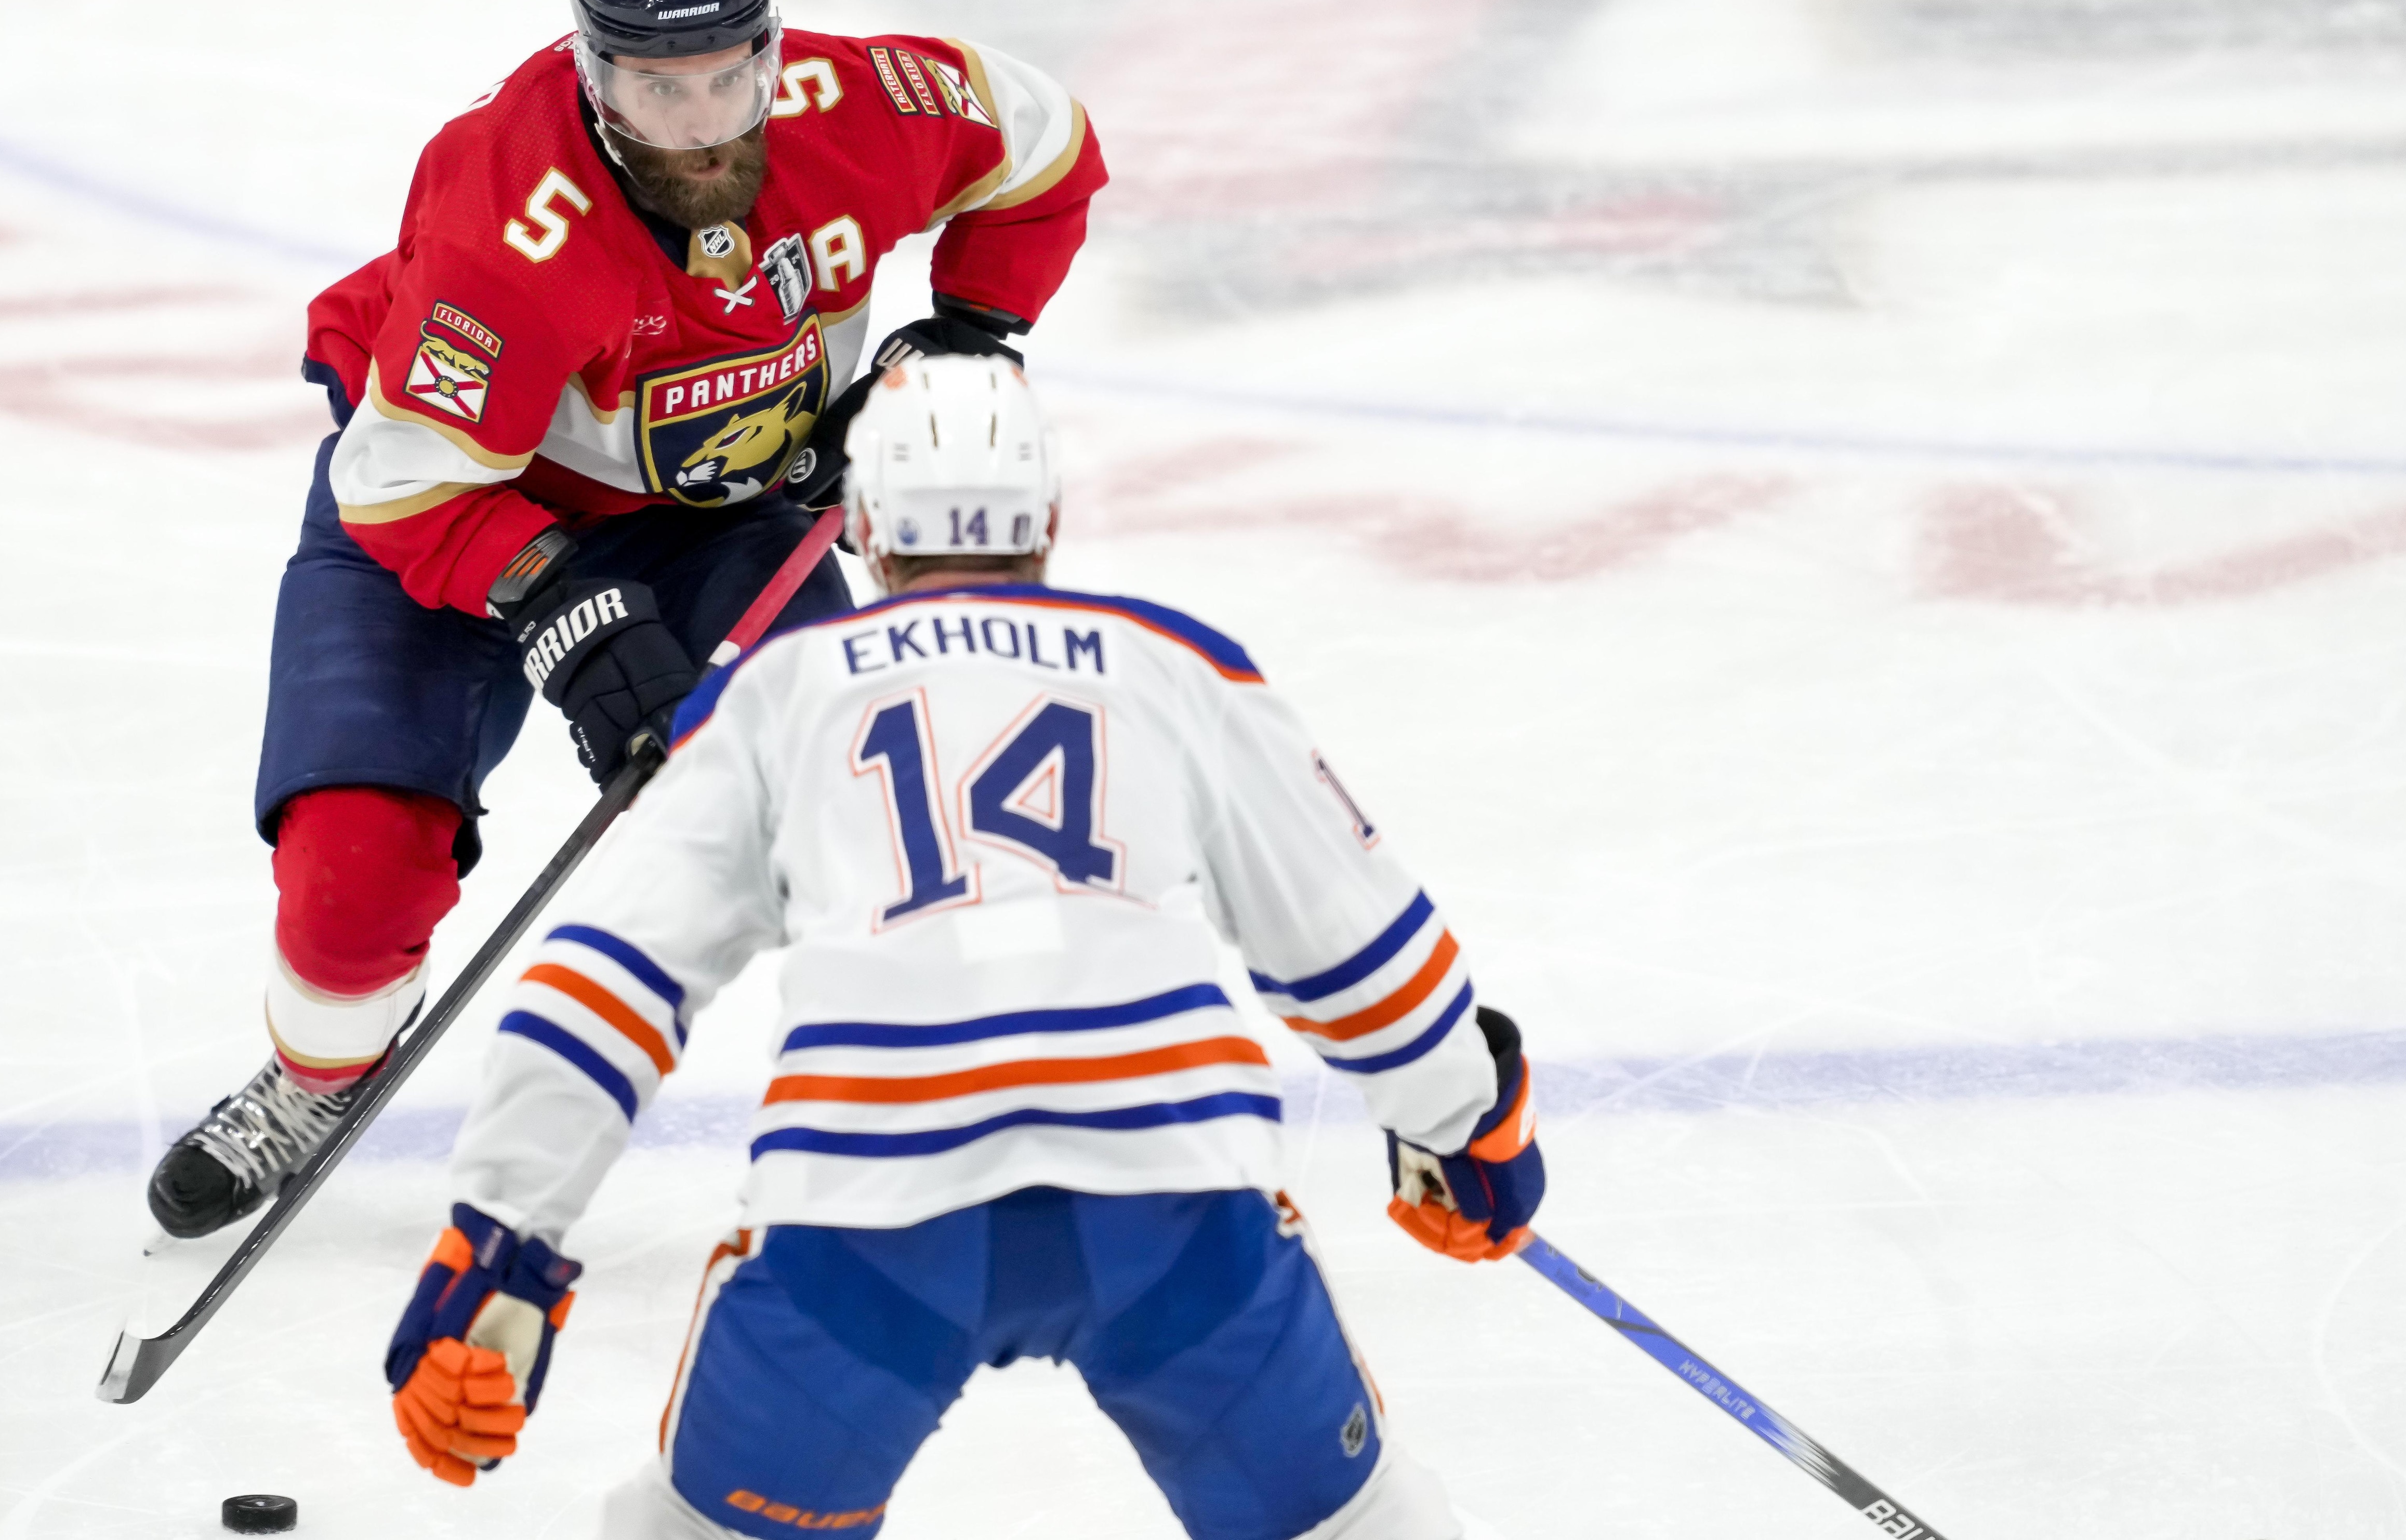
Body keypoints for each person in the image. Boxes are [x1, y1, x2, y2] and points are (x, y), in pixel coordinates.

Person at [382, 359, 1547, 1539]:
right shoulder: (1174, 663)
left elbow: (609, 986)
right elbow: (1352, 944)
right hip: (1172, 1202)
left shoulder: (778, 690)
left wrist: (497, 1242)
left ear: (868, 531)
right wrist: (1464, 1118)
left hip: (868, 1213)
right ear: (1044, 519)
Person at [147, 0, 1107, 1238]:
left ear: (774, 49)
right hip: (448, 512)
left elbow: (1047, 145)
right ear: (594, 74)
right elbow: (401, 480)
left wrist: (972, 327)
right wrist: (565, 609)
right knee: (353, 874)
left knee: (853, 790)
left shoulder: (866, 107)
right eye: (662, 92)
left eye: (733, 77)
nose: (707, 124)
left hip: (716, 520)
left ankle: (930, 1091)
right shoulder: (507, 214)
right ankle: (318, 1072)